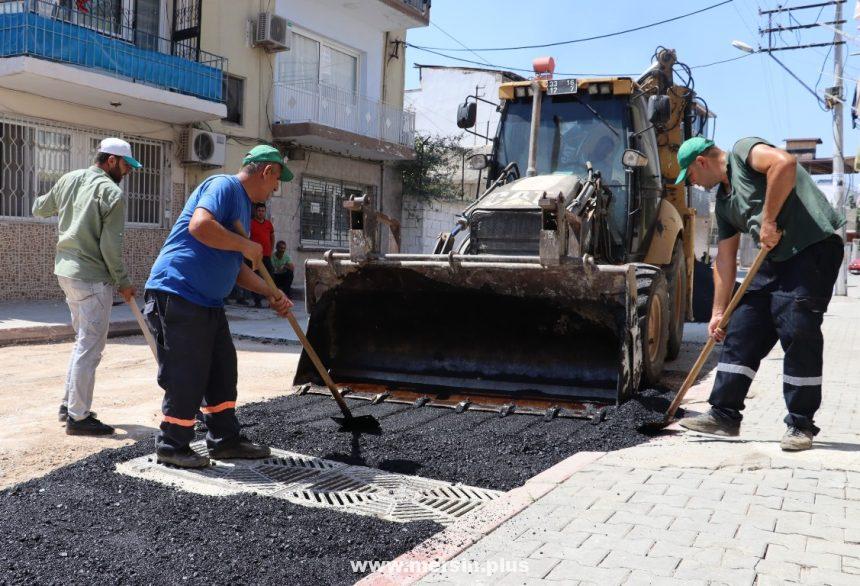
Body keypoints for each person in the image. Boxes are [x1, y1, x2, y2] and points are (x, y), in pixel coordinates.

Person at [674, 136, 845, 451]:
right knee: (742, 327)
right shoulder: (725, 205)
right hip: (774, 257)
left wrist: (767, 221)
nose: (694, 184)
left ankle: (800, 424)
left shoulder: (743, 153)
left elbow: (785, 163)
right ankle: (723, 414)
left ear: (701, 162)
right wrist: (717, 313)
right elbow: (724, 261)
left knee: (797, 328)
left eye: (692, 177)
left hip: (812, 246)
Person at [144, 145, 294, 468]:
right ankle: (172, 444)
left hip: (208, 300)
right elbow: (199, 225)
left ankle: (224, 440)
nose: (276, 189)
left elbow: (235, 268)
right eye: (277, 179)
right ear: (267, 171)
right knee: (187, 372)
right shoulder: (224, 186)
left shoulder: (242, 208)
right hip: (178, 291)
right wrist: (245, 244)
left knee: (223, 369)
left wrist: (271, 292)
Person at [32, 138, 141, 436]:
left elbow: (39, 208)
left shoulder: (69, 179)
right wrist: (124, 282)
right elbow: (110, 247)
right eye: (125, 165)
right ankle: (78, 418)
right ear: (110, 161)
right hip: (92, 279)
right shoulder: (111, 193)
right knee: (90, 347)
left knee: (83, 341)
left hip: (66, 273)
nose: (128, 171)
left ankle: (69, 405)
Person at [249, 202, 276, 307]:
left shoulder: (268, 224)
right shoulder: (251, 223)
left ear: (265, 212)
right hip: (255, 256)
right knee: (255, 277)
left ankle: (272, 300)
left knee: (270, 278)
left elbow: (272, 237)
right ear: (255, 212)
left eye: (263, 211)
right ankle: (257, 301)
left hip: (266, 255)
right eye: (259, 211)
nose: (261, 213)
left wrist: (272, 249)